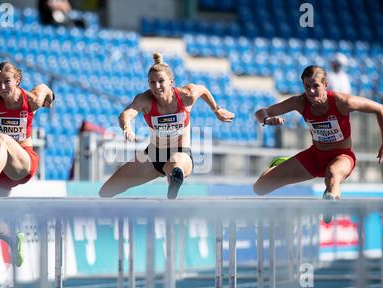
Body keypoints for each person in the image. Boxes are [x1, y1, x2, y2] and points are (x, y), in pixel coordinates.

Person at [99, 53, 234, 199]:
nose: (156, 87)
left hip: (181, 153)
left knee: (175, 167)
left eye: (161, 81)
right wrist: (127, 128)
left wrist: (217, 109)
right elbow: (125, 115)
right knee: (105, 191)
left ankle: (174, 183)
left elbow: (203, 90)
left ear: (171, 82)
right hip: (154, 154)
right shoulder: (145, 100)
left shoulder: (186, 95)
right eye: (152, 82)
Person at [253, 65, 383, 205]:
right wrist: (267, 119)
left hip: (342, 156)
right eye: (307, 86)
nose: (311, 91)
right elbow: (260, 113)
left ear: (325, 84)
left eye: (316, 86)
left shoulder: (342, 102)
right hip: (314, 156)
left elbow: (380, 109)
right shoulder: (300, 102)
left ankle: (330, 200)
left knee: (333, 174)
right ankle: (282, 163)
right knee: (260, 188)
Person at [0, 62, 54, 266]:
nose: (2, 88)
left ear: (17, 81)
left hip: (24, 162)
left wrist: (50, 98)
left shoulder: (30, 100)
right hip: (2, 168)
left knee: (1, 139)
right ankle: (14, 239)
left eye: (7, 82)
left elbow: (45, 89)